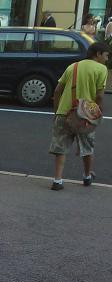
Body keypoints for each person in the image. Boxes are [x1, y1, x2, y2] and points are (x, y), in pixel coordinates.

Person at [49, 42, 109, 190]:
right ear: (98, 54)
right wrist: (98, 110)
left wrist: (57, 111)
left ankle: (57, 180)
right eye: (107, 55)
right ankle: (87, 176)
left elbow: (57, 91)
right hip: (85, 116)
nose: (107, 59)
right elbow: (99, 96)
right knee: (87, 147)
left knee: (60, 148)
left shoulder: (72, 66)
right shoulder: (101, 69)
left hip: (65, 112)